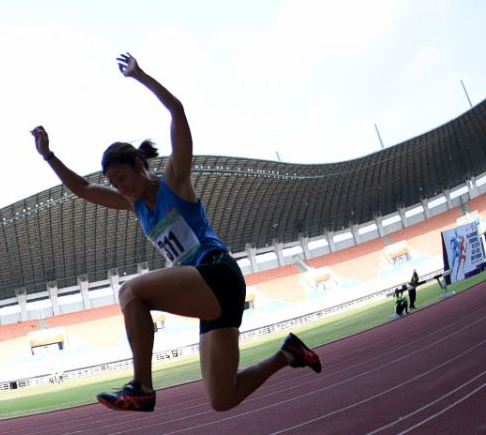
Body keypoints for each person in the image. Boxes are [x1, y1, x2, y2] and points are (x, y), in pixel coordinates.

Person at [31, 52, 322, 413]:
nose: (120, 188)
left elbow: (178, 112)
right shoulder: (135, 206)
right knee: (222, 397)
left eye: (122, 179)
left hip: (217, 272)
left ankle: (142, 387)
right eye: (113, 184)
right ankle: (288, 354)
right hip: (208, 296)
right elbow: (83, 190)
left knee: (131, 293)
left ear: (139, 165)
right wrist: (49, 157)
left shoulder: (174, 181)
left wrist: (140, 75)